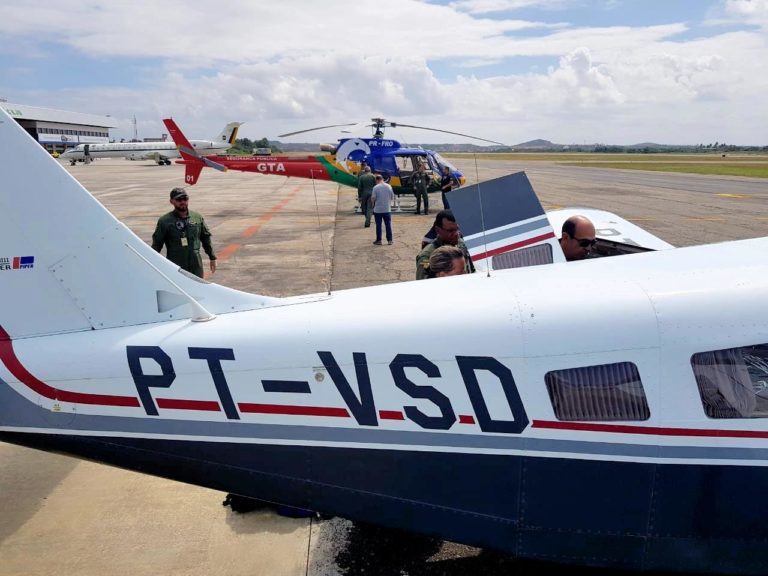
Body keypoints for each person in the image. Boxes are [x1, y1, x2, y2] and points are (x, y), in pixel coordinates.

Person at [152, 187, 217, 278]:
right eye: (178, 199)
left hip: (196, 266)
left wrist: (212, 257)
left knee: (197, 289)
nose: (182, 202)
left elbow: (206, 238)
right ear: (172, 201)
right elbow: (156, 245)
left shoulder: (197, 218)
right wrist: (152, 264)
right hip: (176, 266)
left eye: (185, 198)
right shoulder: (165, 221)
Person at [416, 210, 475, 279]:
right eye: (450, 231)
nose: (456, 234)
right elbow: (423, 282)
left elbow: (472, 269)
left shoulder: (462, 244)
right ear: (438, 230)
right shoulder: (427, 256)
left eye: (457, 229)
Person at [370, 174, 395, 245]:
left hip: (378, 210)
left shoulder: (375, 187)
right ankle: (390, 240)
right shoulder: (389, 186)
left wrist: (373, 205)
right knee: (388, 225)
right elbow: (392, 197)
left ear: (377, 180)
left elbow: (373, 198)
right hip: (387, 209)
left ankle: (379, 240)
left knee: (378, 225)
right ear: (382, 179)